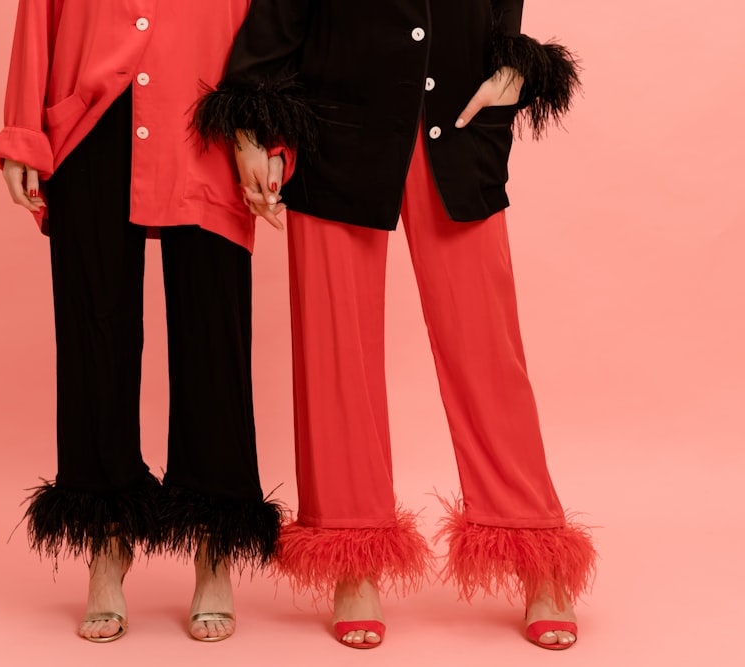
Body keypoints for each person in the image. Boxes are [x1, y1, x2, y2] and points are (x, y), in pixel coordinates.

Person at [195, 0, 596, 650]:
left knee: (488, 355)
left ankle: (535, 547)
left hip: (458, 133)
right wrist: (254, 130)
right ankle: (353, 557)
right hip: (337, 134)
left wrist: (512, 66)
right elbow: (276, 21)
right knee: (336, 357)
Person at [0, 0, 285, 643]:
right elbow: (39, 12)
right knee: (95, 331)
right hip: (90, 118)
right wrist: (23, 132)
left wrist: (265, 133)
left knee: (215, 334)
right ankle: (106, 541)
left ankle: (214, 545)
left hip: (208, 114)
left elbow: (271, 22)